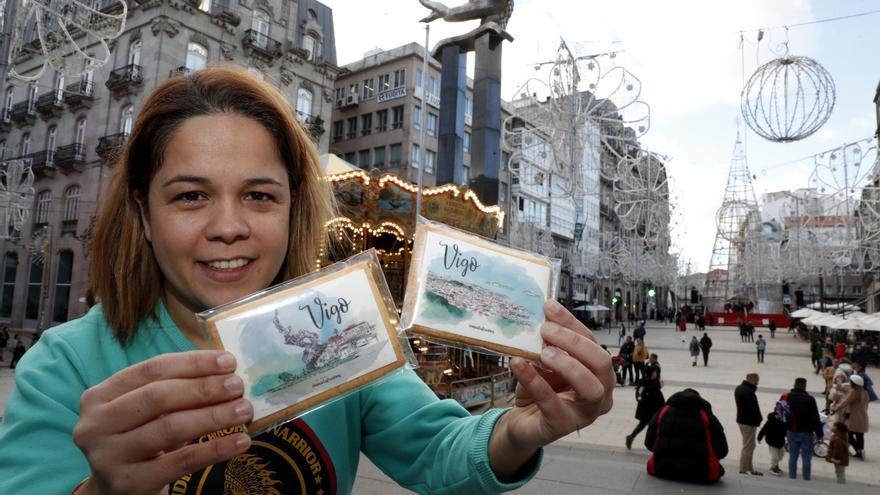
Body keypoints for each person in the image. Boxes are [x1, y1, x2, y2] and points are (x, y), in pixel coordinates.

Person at [0, 68, 615, 495]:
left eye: (259, 196)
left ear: (293, 209)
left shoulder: (340, 331)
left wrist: (521, 429)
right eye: (190, 196)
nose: (229, 227)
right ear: (143, 215)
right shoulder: (67, 366)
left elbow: (440, 452)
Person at [644, 388, 728, 483]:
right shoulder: (705, 414)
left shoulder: (663, 411)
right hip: (701, 473)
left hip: (662, 469)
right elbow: (722, 450)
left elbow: (649, 443)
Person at [784, 377, 824, 480]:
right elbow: (815, 418)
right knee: (806, 457)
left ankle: (792, 477)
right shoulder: (810, 399)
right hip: (807, 432)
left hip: (792, 430)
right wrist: (820, 434)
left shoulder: (786, 397)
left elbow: (780, 414)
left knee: (793, 456)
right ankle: (806, 478)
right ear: (805, 386)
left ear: (794, 384)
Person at [625, 367, 664, 450]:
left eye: (655, 373)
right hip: (647, 408)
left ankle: (631, 437)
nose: (655, 374)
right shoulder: (644, 382)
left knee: (648, 425)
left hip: (656, 407)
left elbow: (657, 393)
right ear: (650, 373)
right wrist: (642, 400)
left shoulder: (656, 381)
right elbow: (639, 394)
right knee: (646, 425)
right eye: (654, 373)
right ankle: (632, 437)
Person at [832, 374, 870, 460]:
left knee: (848, 434)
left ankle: (858, 450)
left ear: (853, 383)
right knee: (860, 435)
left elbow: (845, 402)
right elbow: (867, 404)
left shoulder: (854, 391)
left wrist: (836, 408)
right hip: (863, 416)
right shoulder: (865, 391)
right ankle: (860, 451)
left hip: (854, 416)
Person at [734, 373, 762, 476]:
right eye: (757, 380)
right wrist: (759, 419)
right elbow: (752, 409)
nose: (758, 383)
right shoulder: (749, 392)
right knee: (748, 446)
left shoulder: (740, 388)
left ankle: (750, 468)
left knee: (750, 445)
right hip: (748, 422)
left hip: (742, 420)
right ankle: (743, 469)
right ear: (753, 380)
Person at [757, 411, 786, 476]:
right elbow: (763, 430)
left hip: (780, 441)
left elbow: (785, 430)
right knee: (775, 456)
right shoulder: (769, 422)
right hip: (772, 442)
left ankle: (776, 465)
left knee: (781, 454)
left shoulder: (782, 422)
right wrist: (759, 438)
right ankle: (773, 467)